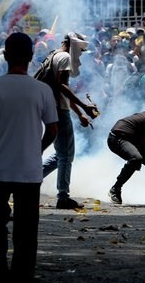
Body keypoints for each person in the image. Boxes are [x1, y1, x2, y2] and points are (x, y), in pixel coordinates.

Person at [0, 32, 58, 281]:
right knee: (27, 228)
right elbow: (52, 130)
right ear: (31, 56)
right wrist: (36, 149)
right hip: (29, 171)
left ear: (5, 56)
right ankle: (22, 274)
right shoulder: (42, 90)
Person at [40, 32, 98, 209]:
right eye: (79, 50)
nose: (80, 55)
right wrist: (84, 106)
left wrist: (80, 113)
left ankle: (29, 177)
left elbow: (62, 90)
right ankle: (63, 196)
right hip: (58, 111)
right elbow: (62, 85)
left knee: (61, 154)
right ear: (72, 45)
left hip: (53, 108)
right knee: (66, 155)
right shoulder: (64, 57)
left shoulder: (54, 55)